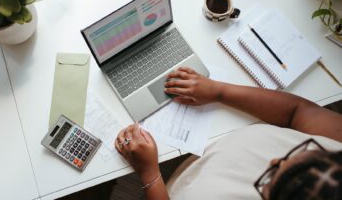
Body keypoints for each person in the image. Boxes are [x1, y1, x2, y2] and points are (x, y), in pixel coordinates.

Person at [115, 67, 342, 200]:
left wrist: (149, 174)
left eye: (271, 178)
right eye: (306, 149)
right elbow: (298, 111)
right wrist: (219, 91)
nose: (273, 160)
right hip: (202, 152)